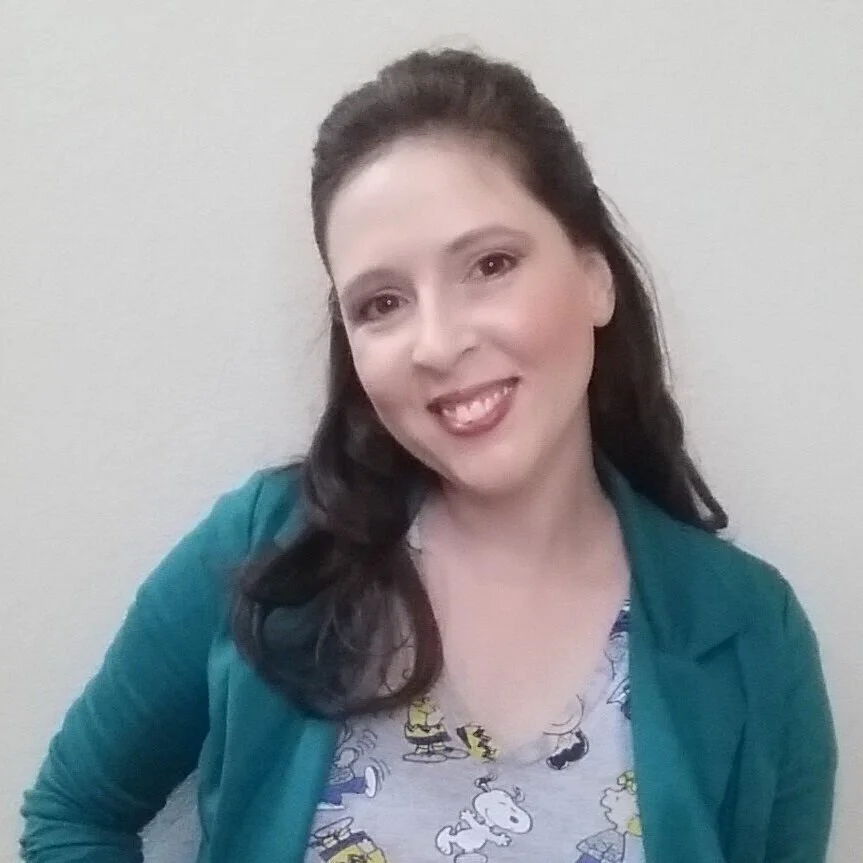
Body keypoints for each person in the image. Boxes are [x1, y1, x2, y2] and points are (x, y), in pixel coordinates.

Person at [20, 48, 836, 863]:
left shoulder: (750, 638)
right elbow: (73, 813)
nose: (437, 344)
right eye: (381, 303)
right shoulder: (266, 552)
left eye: (490, 264)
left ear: (594, 277)